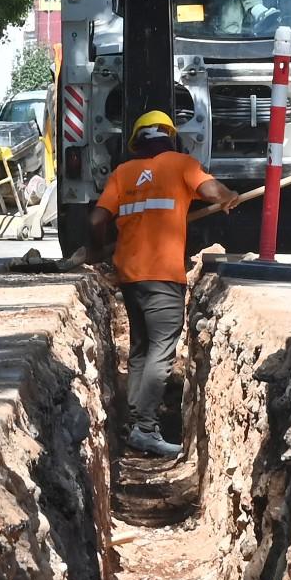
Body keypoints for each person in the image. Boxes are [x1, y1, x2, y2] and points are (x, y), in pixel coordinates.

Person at [76, 110, 236, 459]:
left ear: (136, 142)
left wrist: (93, 249)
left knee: (140, 351)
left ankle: (135, 423)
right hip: (164, 277)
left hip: (131, 277)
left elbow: (97, 218)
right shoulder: (181, 164)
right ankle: (145, 430)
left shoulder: (123, 173)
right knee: (161, 355)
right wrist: (228, 194)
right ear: (170, 135)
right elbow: (210, 190)